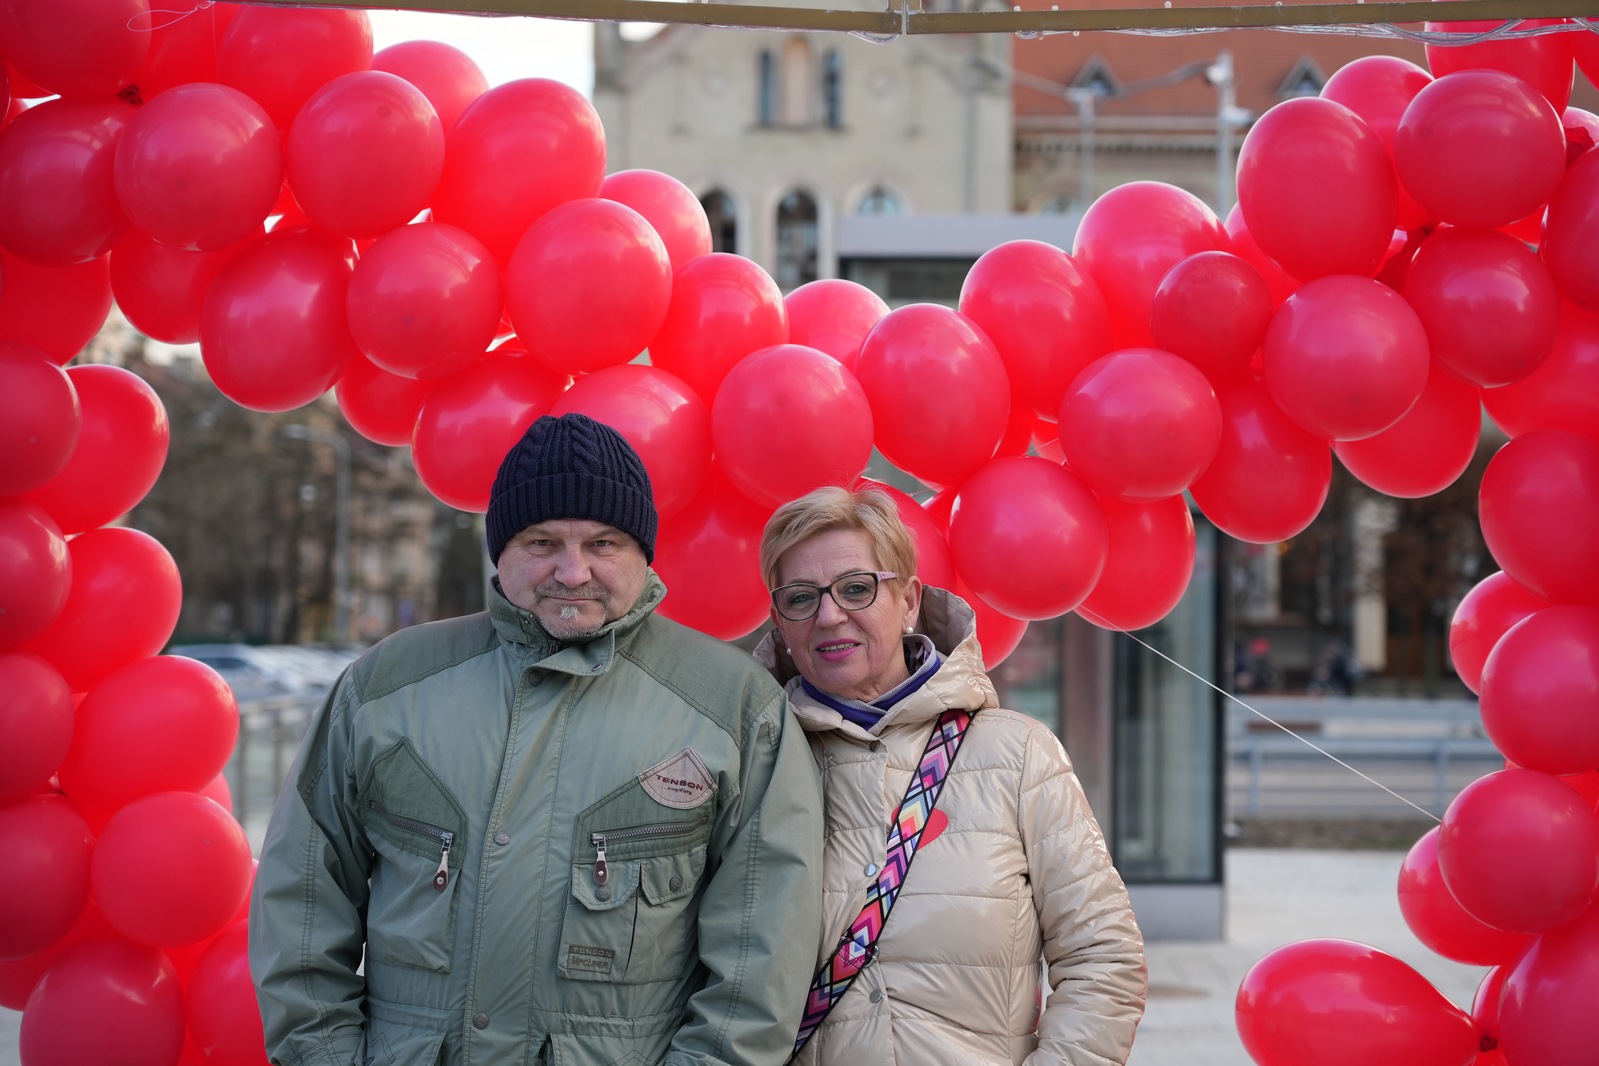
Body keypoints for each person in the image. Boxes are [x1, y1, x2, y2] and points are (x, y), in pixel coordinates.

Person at [249, 413, 825, 1066]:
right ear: (501, 550)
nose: (573, 572)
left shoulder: (733, 707)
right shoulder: (384, 688)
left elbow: (758, 971)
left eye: (604, 543)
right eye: (542, 542)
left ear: (643, 552)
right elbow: (300, 910)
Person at [755, 486, 1146, 1065]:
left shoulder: (1018, 756)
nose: (829, 615)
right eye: (801, 598)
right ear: (779, 622)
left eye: (857, 588)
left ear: (909, 601)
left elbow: (1102, 956)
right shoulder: (750, 767)